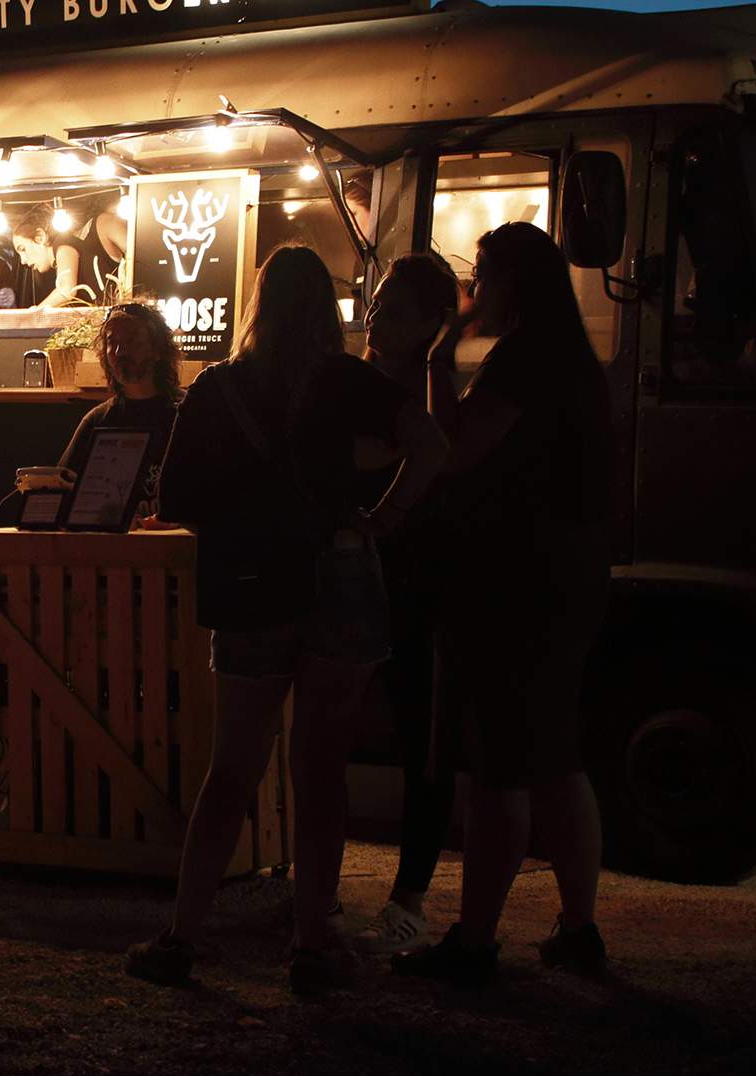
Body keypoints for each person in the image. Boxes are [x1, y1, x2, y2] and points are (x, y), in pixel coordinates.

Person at [126, 245, 448, 993]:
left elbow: (178, 501)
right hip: (340, 577)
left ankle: (181, 937)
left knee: (231, 769)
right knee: (321, 769)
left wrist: (248, 515)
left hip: (250, 587)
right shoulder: (345, 380)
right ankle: (309, 945)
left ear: (258, 306)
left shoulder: (217, 390)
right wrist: (384, 516)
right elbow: (431, 444)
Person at [392, 222, 614, 984]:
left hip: (511, 586)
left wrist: (433, 356)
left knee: (501, 768)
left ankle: (476, 939)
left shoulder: (523, 360)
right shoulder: (575, 363)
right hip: (569, 580)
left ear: (513, 283)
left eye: (481, 275)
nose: (471, 290)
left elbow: (455, 448)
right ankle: (578, 927)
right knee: (557, 758)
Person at [350, 253, 464, 955]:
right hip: (360, 577)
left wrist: (382, 520)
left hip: (416, 583)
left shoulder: (432, 387)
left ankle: (410, 898)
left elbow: (437, 461)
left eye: (391, 305)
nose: (372, 313)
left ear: (428, 324)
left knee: (422, 733)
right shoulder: (360, 380)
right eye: (375, 299)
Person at [56, 302, 182, 527]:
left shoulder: (188, 413)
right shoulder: (97, 421)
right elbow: (59, 491)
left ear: (158, 349)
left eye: (132, 340)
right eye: (111, 342)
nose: (119, 351)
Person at [12, 201, 126, 308]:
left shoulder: (62, 245)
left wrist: (34, 314)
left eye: (23, 249)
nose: (23, 261)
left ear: (39, 237)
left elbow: (66, 290)